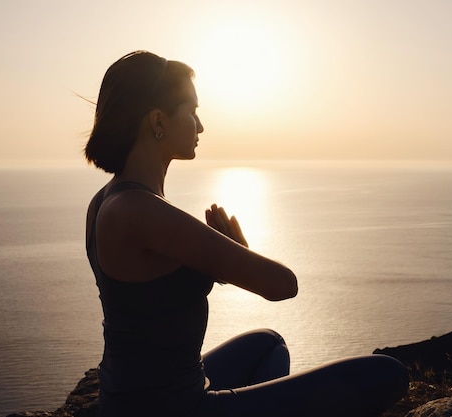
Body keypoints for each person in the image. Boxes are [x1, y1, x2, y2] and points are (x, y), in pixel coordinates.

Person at [84, 50, 409, 417]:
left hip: (135, 399)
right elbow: (283, 284)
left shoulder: (107, 201)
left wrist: (223, 263)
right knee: (387, 374)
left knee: (268, 345)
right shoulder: (141, 210)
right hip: (175, 408)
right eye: (191, 111)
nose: (200, 126)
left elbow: (151, 292)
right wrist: (235, 255)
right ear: (158, 119)